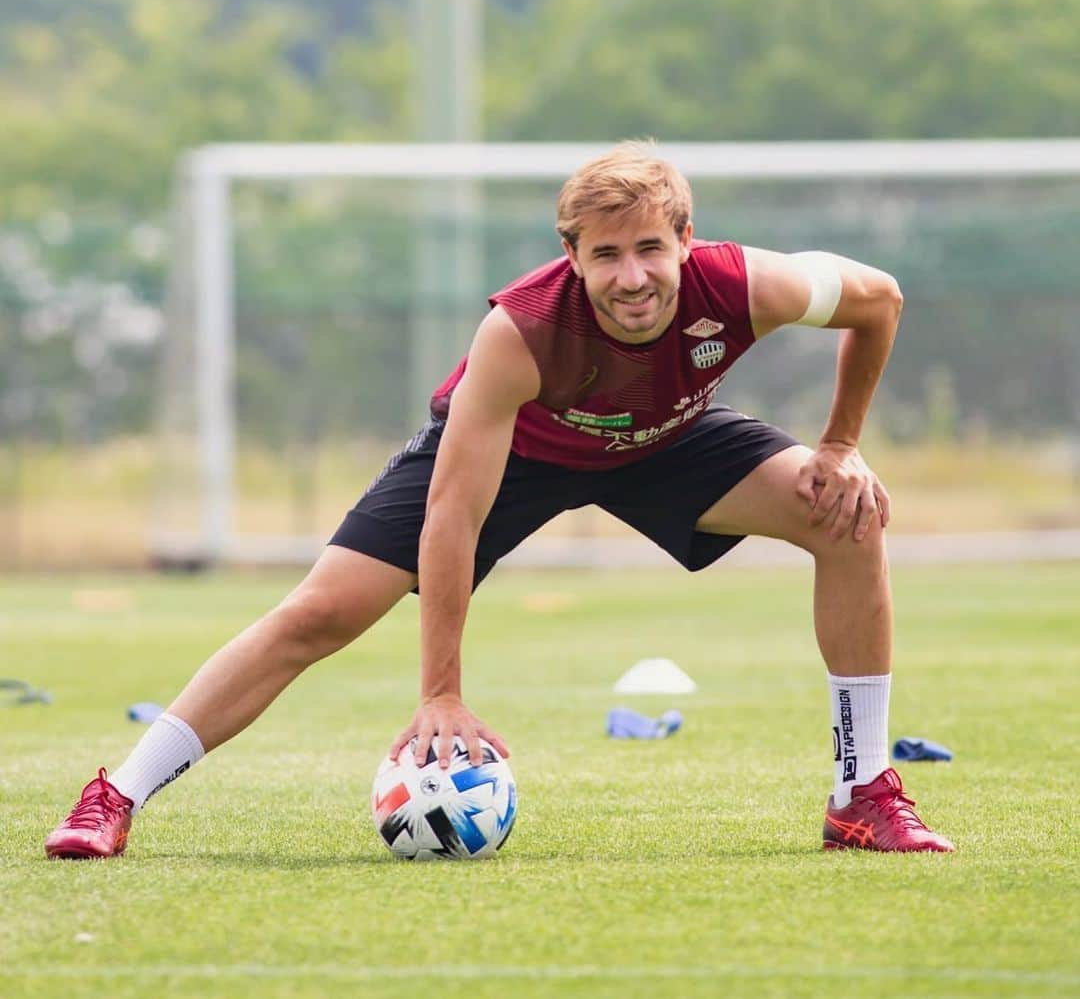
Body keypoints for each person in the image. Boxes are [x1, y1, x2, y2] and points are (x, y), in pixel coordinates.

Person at [45, 141, 953, 859]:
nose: (632, 276)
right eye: (606, 255)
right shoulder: (518, 335)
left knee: (850, 515)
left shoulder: (751, 284)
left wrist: (840, 445)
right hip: (522, 451)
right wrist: (441, 689)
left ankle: (861, 794)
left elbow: (881, 300)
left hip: (663, 438)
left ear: (686, 239)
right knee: (316, 614)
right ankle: (116, 793)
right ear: (571, 255)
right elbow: (454, 513)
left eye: (650, 249)